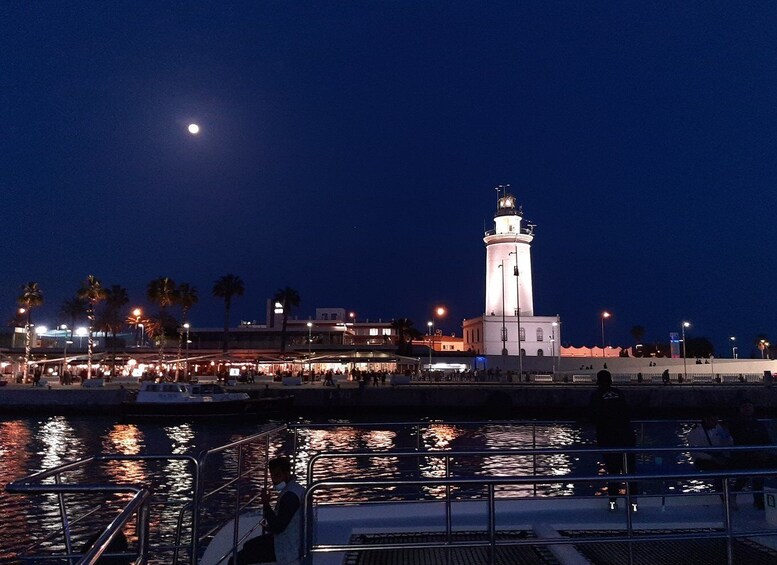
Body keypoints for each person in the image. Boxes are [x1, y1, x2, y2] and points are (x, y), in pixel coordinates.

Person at [229, 456, 306, 565]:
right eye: (273, 476)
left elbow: (278, 527)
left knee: (237, 559)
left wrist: (266, 503)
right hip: (293, 539)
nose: (274, 480)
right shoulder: (296, 489)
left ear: (287, 473)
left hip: (287, 547)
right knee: (248, 545)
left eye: (278, 475)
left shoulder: (289, 496)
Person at [589, 370, 637, 511]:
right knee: (630, 471)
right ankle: (633, 504)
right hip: (627, 437)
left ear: (598, 381)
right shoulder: (619, 394)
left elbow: (592, 416)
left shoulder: (597, 395)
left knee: (613, 472)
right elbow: (628, 411)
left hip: (609, 438)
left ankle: (613, 503)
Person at [727, 399, 777, 510]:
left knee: (762, 466)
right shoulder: (735, 423)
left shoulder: (758, 424)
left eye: (750, 406)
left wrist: (765, 452)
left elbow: (767, 440)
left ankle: (758, 498)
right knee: (753, 468)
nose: (748, 408)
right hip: (742, 454)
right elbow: (737, 440)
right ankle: (756, 499)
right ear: (740, 409)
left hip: (759, 454)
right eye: (745, 406)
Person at [687, 411, 734, 495]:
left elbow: (728, 444)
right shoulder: (695, 432)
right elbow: (695, 453)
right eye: (713, 420)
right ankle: (722, 493)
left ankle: (732, 490)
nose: (715, 423)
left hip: (718, 456)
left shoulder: (718, 427)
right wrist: (712, 458)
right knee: (720, 468)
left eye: (716, 421)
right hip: (703, 459)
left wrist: (727, 434)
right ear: (706, 419)